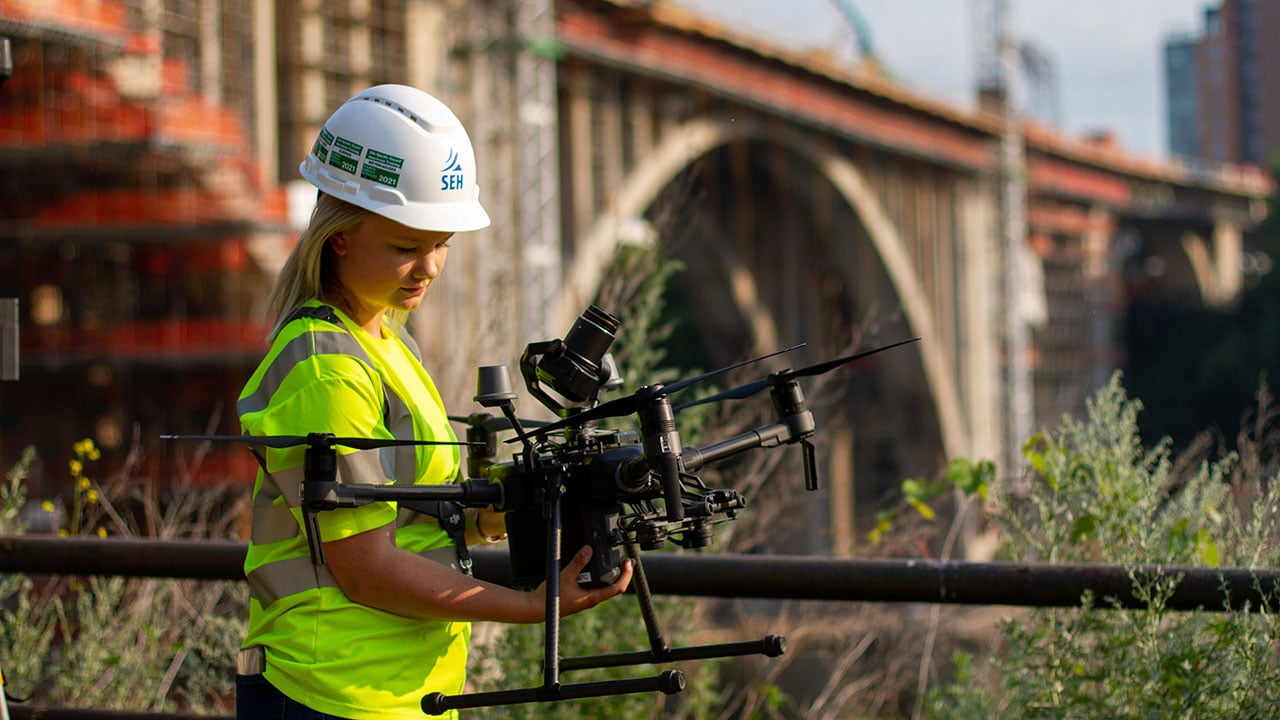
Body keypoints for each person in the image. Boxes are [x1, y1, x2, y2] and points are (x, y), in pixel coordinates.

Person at [233, 84, 633, 720]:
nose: (431, 267)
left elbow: (424, 522)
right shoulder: (326, 368)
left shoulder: (389, 341)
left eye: (442, 242)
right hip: (334, 695)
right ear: (338, 236)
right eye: (405, 247)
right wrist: (532, 607)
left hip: (402, 694)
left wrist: (516, 501)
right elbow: (366, 567)